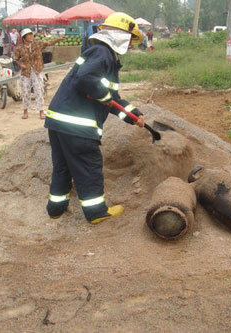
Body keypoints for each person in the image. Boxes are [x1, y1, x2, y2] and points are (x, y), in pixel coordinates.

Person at [44, 12, 145, 224]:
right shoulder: (102, 53)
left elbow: (110, 99)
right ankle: (96, 212)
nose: (131, 46)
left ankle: (56, 207)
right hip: (78, 126)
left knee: (62, 165)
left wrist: (133, 115)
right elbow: (87, 80)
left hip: (58, 121)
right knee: (88, 166)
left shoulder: (96, 52)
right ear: (121, 36)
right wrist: (105, 96)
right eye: (131, 40)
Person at [14, 28, 65, 119]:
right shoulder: (19, 48)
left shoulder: (37, 44)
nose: (31, 36)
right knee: (25, 91)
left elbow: (49, 43)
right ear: (24, 37)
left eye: (31, 34)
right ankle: (25, 111)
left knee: (39, 90)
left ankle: (41, 111)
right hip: (26, 72)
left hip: (37, 70)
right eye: (28, 35)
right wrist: (21, 65)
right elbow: (16, 59)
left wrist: (59, 39)